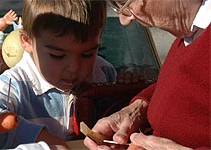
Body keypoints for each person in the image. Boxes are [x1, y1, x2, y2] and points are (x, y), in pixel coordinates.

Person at [0, 0, 113, 149]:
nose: (74, 68)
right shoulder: (18, 83)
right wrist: (40, 138)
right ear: (27, 41)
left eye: (87, 54)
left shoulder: (103, 72)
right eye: (57, 55)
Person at [84, 0, 210, 149]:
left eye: (125, 3)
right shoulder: (193, 33)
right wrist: (138, 109)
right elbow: (191, 88)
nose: (124, 20)